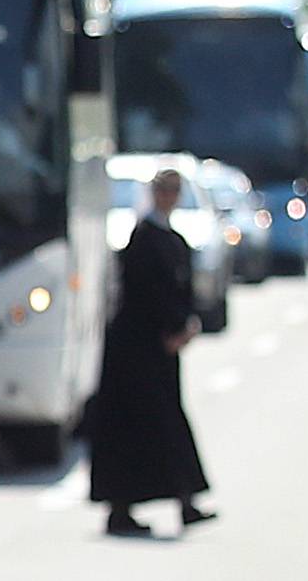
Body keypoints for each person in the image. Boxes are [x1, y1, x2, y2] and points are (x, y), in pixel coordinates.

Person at [88, 168, 214, 538]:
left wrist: (187, 325)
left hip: (160, 349)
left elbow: (182, 291)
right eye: (163, 189)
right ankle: (122, 507)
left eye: (175, 190)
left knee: (166, 424)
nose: (169, 196)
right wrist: (170, 327)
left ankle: (184, 498)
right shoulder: (143, 237)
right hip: (136, 350)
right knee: (133, 425)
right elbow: (144, 294)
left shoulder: (173, 238)